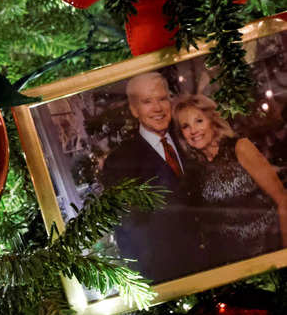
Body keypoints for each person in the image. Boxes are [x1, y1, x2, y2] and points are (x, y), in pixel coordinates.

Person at [101, 72, 203, 282]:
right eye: (147, 101)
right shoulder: (120, 161)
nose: (158, 108)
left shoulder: (191, 135)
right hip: (171, 276)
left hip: (217, 260)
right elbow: (128, 232)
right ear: (134, 110)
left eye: (162, 99)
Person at [173, 94, 287, 267]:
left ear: (212, 120)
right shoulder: (195, 170)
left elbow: (283, 201)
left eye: (199, 121)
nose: (193, 130)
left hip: (269, 251)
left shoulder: (240, 147)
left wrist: (284, 254)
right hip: (232, 263)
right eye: (185, 126)